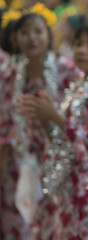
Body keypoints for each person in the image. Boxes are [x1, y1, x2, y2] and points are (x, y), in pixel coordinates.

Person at [16, 17, 88, 239]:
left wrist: (53, 115)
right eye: (78, 44)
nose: (82, 50)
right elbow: (64, 136)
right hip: (69, 179)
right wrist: (46, 119)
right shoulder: (80, 85)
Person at [0, 3, 80, 239]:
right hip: (20, 160)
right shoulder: (10, 73)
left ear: (48, 35)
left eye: (37, 31)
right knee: (18, 218)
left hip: (61, 157)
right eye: (25, 32)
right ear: (15, 38)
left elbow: (77, 118)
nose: (31, 38)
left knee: (56, 221)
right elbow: (5, 118)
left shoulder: (66, 70)